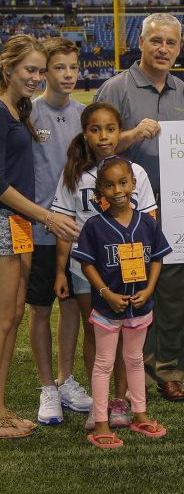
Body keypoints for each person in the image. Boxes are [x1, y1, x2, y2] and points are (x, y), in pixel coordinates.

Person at [94, 13, 184, 402]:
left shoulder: (183, 91)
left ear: (179, 48)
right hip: (127, 215)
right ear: (141, 41)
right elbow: (93, 148)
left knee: (173, 293)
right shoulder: (116, 88)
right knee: (131, 289)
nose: (163, 49)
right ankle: (130, 372)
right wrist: (132, 135)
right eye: (156, 41)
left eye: (171, 43)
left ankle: (167, 370)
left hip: (178, 208)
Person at [52, 102, 158, 429]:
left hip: (128, 270)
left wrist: (145, 268)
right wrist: (59, 270)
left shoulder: (135, 173)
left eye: (110, 129)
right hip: (87, 270)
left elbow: (150, 221)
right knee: (95, 333)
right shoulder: (74, 174)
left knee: (126, 337)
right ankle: (100, 405)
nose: (103, 136)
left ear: (120, 131)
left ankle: (119, 402)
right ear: (85, 133)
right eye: (95, 130)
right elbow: (65, 224)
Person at [0, 35, 79, 438]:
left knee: (23, 315)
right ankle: (16, 403)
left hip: (36, 227)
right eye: (30, 70)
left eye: (37, 69)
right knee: (12, 317)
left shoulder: (19, 110)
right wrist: (46, 217)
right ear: (9, 68)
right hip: (17, 225)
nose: (35, 76)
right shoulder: (9, 111)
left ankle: (11, 404)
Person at [73, 157, 171, 449]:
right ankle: (101, 421)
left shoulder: (147, 223)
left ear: (133, 185)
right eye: (109, 184)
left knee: (135, 360)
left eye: (123, 182)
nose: (117, 189)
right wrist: (105, 293)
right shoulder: (94, 226)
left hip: (140, 306)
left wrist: (150, 289)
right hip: (107, 308)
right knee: (104, 363)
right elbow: (87, 266)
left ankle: (139, 414)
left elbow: (156, 259)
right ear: (99, 191)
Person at [27, 38, 92, 426]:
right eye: (60, 68)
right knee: (39, 310)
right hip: (38, 233)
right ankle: (46, 386)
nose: (68, 75)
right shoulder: (28, 115)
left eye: (73, 67)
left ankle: (66, 380)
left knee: (71, 308)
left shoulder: (84, 116)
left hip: (77, 234)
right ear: (44, 72)